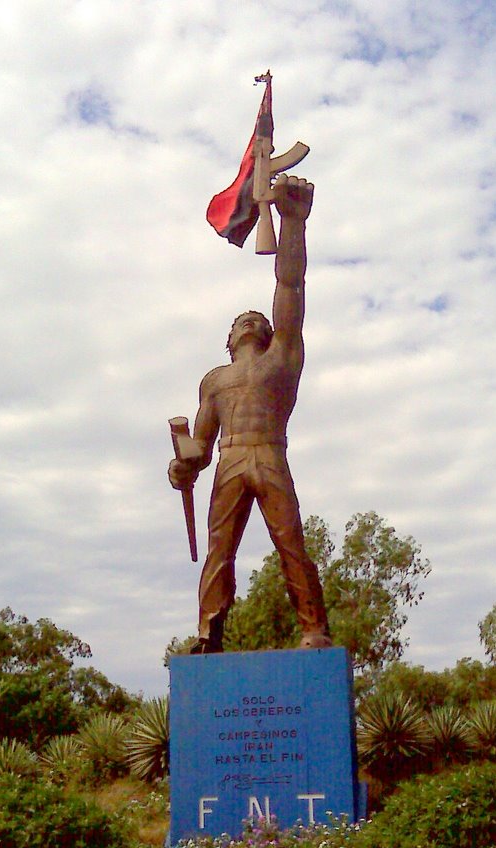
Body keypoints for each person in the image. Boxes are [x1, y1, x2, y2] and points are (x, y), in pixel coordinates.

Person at [168, 175, 331, 654]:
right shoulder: (214, 380)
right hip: (230, 459)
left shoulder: (281, 358)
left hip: (270, 454)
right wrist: (182, 465)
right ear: (229, 337)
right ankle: (208, 634)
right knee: (220, 549)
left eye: (258, 318)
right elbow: (199, 446)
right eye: (242, 319)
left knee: (290, 543)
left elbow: (290, 285)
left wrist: (293, 223)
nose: (251, 320)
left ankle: (313, 629)